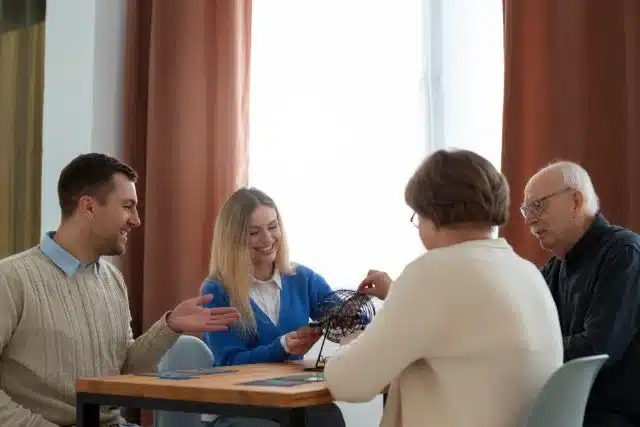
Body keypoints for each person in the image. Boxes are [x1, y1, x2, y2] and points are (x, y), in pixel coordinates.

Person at [323, 149, 564, 427]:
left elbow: (349, 383)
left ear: (433, 214)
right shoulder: (526, 271)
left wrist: (349, 341)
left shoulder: (432, 271)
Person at [0, 153, 239, 427]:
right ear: (88, 207)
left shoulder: (112, 280)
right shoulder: (11, 279)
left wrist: (170, 327)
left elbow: (125, 373)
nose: (136, 220)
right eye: (127, 206)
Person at [200, 187, 345, 427]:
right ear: (233, 238)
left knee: (328, 416)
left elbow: (342, 314)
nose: (267, 239)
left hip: (288, 401)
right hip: (237, 408)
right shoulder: (216, 291)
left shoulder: (302, 278)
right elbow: (227, 363)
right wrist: (282, 346)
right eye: (254, 232)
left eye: (272, 226)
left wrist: (355, 311)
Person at [522, 161, 640, 427]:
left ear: (576, 200)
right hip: (567, 409)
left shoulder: (623, 253)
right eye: (526, 210)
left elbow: (599, 348)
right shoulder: (553, 270)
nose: (530, 219)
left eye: (537, 206)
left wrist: (525, 350)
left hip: (612, 416)